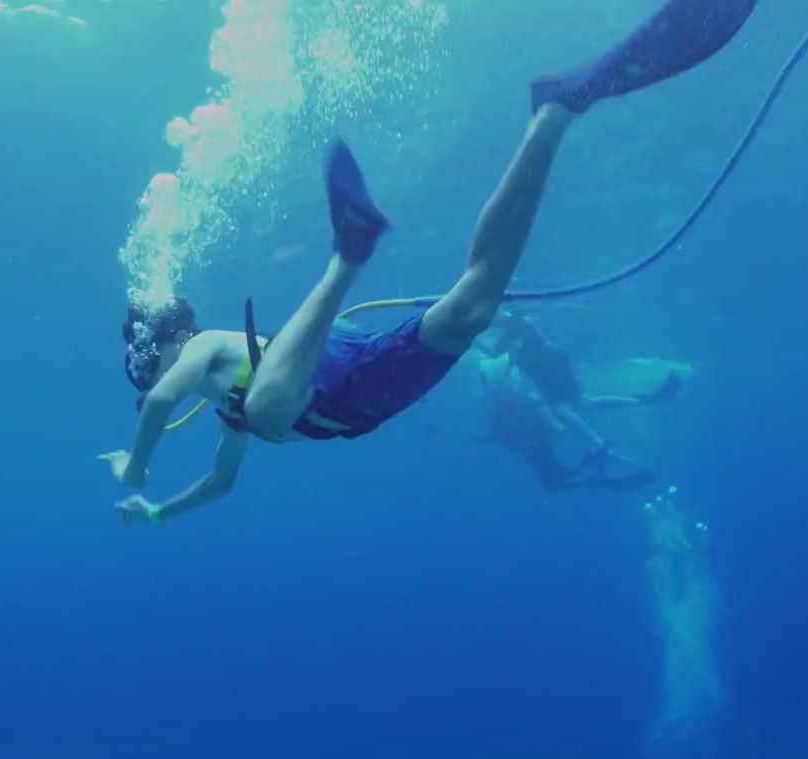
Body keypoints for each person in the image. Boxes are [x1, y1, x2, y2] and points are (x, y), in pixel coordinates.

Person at [102, 0, 758, 524]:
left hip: (325, 385)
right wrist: (157, 511)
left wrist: (136, 466)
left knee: (271, 413)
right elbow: (222, 479)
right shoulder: (226, 404)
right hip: (362, 391)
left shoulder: (205, 349)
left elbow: (161, 398)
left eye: (142, 364)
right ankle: (556, 112)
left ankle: (346, 258)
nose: (147, 381)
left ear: (158, 343)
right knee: (474, 305)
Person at [473, 349, 666, 492]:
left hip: (533, 449)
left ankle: (602, 469)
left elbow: (500, 432)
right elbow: (557, 429)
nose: (515, 377)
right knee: (559, 477)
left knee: (557, 477)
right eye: (510, 376)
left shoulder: (509, 406)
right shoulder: (529, 400)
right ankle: (603, 468)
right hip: (537, 447)